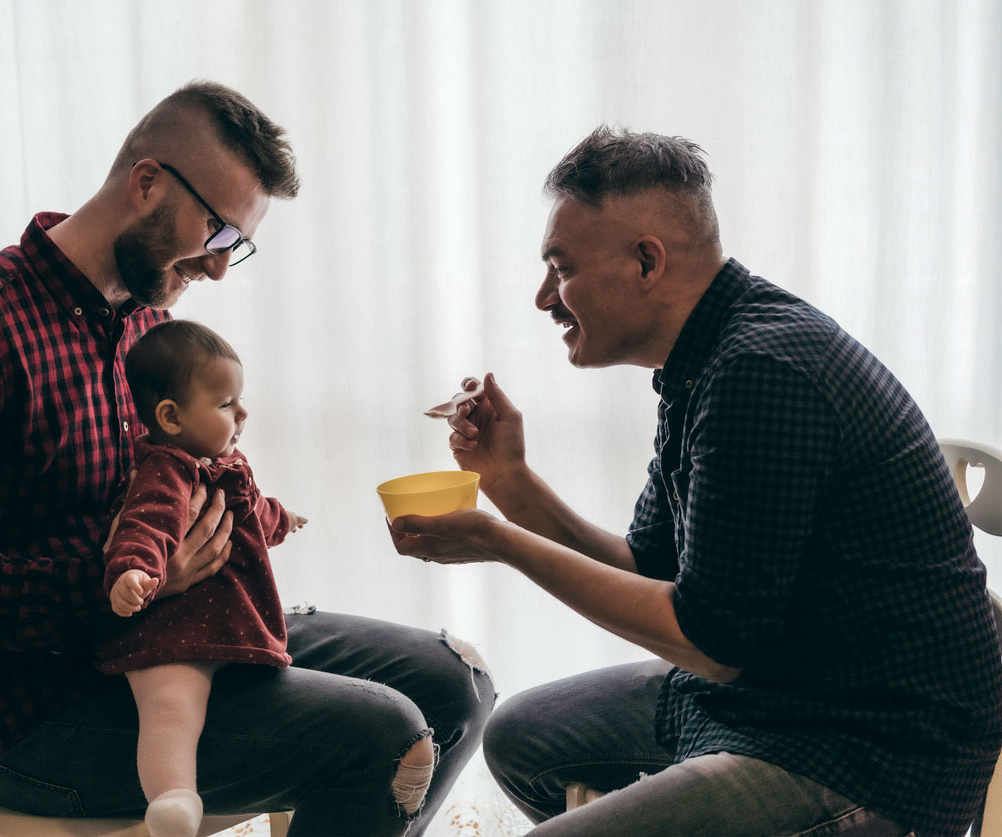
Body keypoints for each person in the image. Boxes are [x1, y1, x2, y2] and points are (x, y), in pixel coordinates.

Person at [0, 80, 493, 837]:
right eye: (216, 231)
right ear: (147, 182)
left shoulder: (149, 330)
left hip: (193, 640)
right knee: (384, 732)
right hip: (44, 715)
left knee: (458, 683)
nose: (221, 268)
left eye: (238, 244)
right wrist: (121, 584)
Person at [389, 127, 1002, 836]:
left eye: (560, 267)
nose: (542, 298)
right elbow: (652, 569)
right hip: (779, 688)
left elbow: (710, 643)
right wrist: (510, 481)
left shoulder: (762, 372)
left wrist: (503, 542)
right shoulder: (703, 362)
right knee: (524, 737)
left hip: (866, 745)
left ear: (646, 261)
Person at [99, 319, 306, 837]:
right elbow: (144, 525)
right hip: (170, 631)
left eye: (239, 400)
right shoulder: (166, 470)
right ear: (170, 417)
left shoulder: (226, 462)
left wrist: (283, 519)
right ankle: (173, 802)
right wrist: (135, 572)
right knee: (170, 710)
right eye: (225, 404)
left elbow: (253, 511)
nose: (242, 413)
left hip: (229, 626)